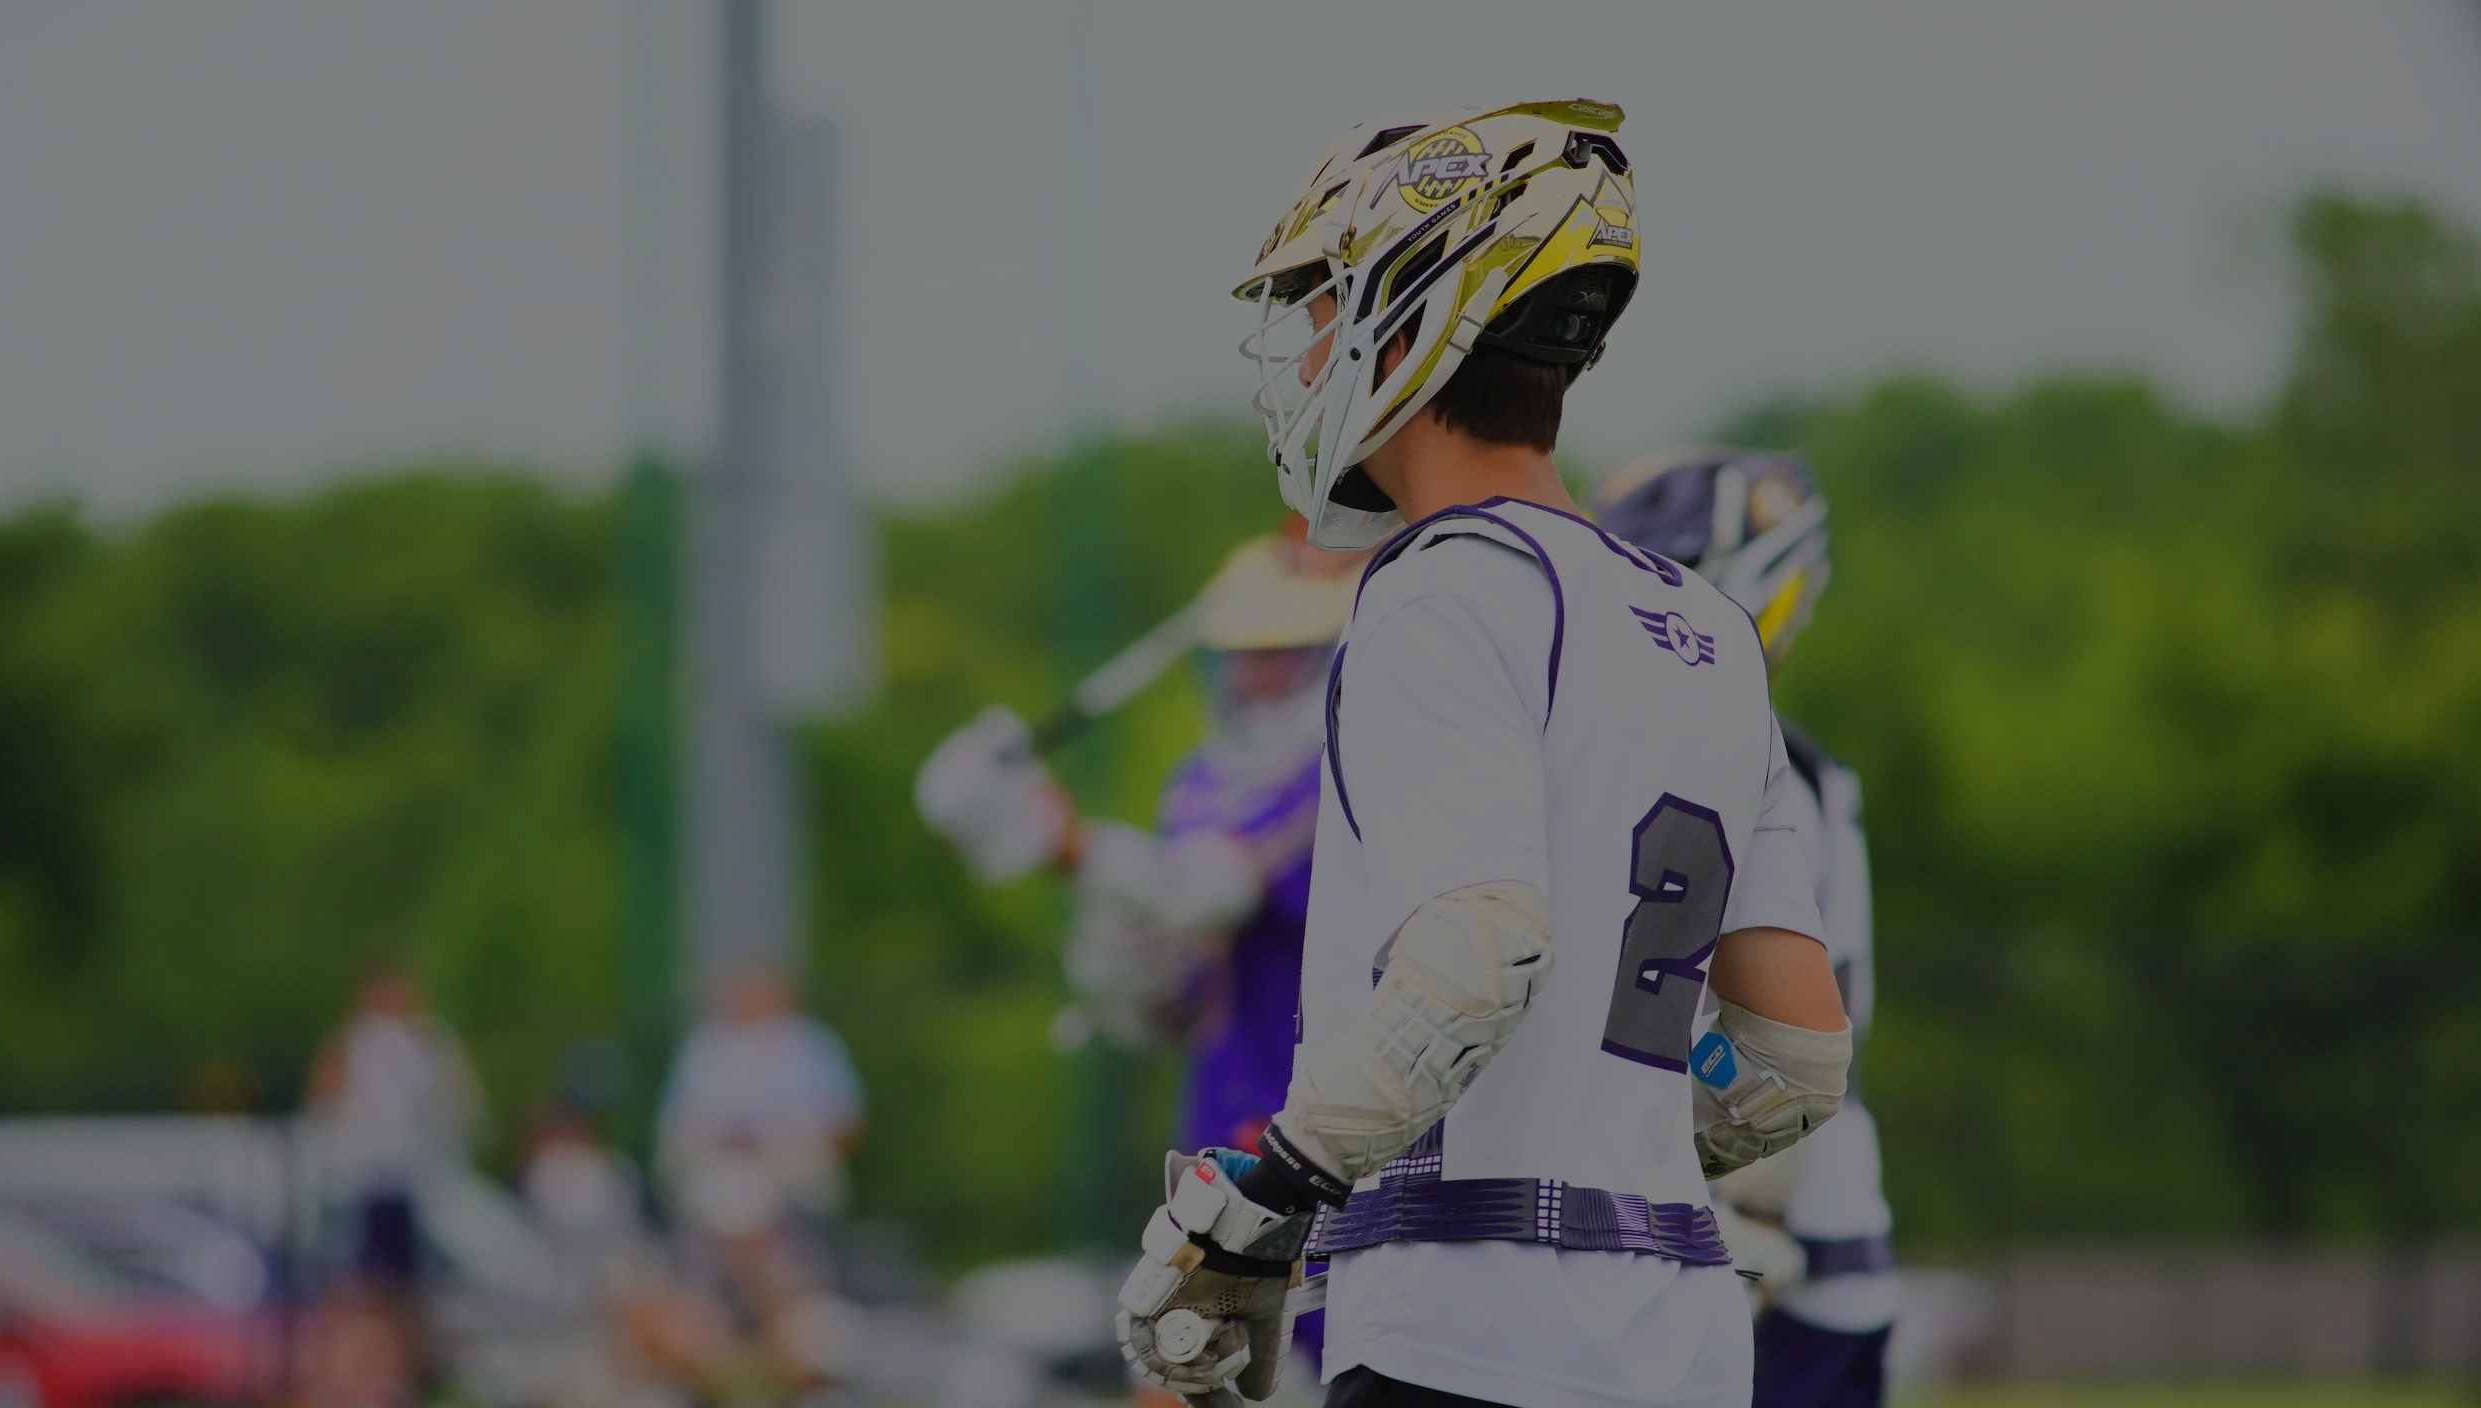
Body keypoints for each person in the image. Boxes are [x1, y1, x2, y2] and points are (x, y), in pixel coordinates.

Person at [1112, 101, 1855, 1408]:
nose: (1307, 350)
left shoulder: (1444, 587)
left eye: (1327, 304)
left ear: (1416, 317)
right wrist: (1616, 1155)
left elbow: (1478, 955)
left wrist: (1264, 1206)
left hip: (1467, 1329)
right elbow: (1796, 1059)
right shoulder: (1707, 628)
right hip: (1685, 1341)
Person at [914, 522, 1362, 1388]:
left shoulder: (1340, 766)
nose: (1254, 674)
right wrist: (1115, 957)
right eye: (1243, 652)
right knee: (1176, 1371)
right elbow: (1176, 991)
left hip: (1341, 1142)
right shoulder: (1198, 779)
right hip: (1224, 1135)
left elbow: (1213, 886)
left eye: (1280, 649)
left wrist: (1055, 836)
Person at [1594, 447, 1895, 1408]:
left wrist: (1749, 1203)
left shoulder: (1760, 765)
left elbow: (1795, 1033)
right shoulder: (1753, 752)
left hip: (1777, 1242)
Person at [655, 965, 866, 1387]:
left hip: (790, 1165)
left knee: (741, 1198)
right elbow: (682, 1125)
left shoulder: (809, 1044)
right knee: (728, 1193)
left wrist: (785, 1138)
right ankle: (762, 1326)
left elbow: (845, 1121)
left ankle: (770, 1329)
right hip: (721, 1170)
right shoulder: (706, 1048)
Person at [305, 961, 485, 1400]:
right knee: (368, 1294)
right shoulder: (356, 1044)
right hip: (367, 1186)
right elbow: (324, 1105)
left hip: (406, 1187)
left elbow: (460, 1108)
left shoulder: (427, 1045)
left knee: (397, 1295)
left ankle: (398, 1375)